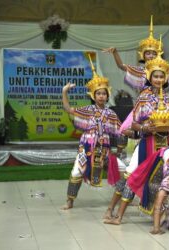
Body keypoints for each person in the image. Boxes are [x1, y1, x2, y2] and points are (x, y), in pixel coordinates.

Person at [103, 54, 169, 224]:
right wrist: (146, 128)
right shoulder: (142, 98)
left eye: (162, 76)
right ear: (149, 77)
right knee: (131, 175)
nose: (159, 79)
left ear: (166, 78)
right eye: (156, 76)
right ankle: (116, 214)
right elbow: (134, 125)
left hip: (168, 145)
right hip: (148, 143)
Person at [62, 55, 124, 210]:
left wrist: (121, 149)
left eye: (104, 93)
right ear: (93, 96)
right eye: (98, 94)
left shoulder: (111, 113)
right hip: (87, 148)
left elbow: (121, 130)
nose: (101, 96)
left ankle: (127, 197)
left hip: (105, 150)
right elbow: (69, 109)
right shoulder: (87, 110)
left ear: (107, 95)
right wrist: (64, 92)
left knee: (124, 170)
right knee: (76, 172)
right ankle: (70, 201)